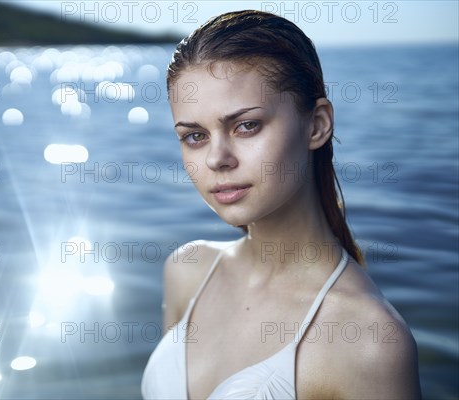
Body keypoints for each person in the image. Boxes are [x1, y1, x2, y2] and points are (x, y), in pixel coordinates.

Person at [141, 10, 421, 400]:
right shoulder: (187, 270)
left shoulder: (367, 340)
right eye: (195, 136)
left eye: (247, 125)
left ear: (317, 125)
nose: (216, 158)